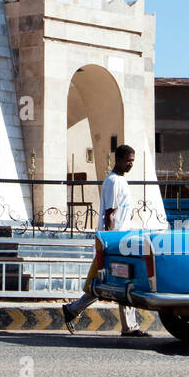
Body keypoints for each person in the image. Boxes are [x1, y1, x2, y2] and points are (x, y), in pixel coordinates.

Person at [62, 143, 147, 337]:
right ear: (118, 160)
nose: (131, 165)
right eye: (128, 161)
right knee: (112, 283)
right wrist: (109, 242)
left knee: (117, 282)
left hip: (120, 238)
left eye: (133, 161)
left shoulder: (120, 181)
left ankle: (74, 310)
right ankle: (74, 310)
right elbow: (110, 213)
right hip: (115, 241)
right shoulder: (114, 182)